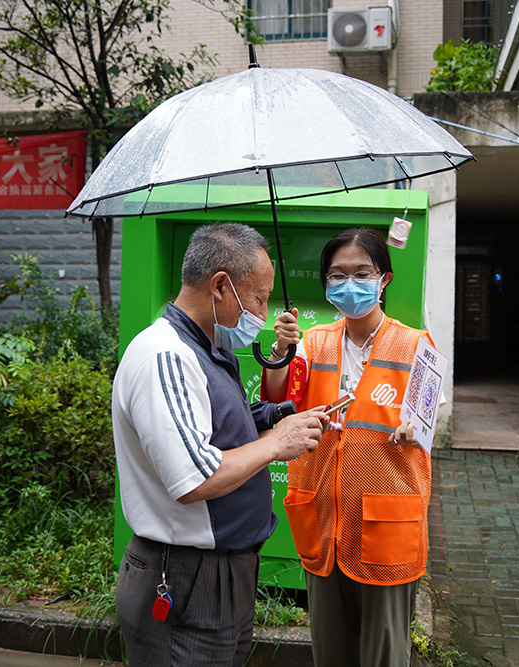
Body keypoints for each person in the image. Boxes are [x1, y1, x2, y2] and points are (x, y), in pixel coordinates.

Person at [112, 223, 328, 667]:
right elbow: (195, 478)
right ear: (220, 286)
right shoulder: (166, 356)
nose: (263, 313)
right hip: (185, 575)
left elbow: (222, 425)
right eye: (259, 298)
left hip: (223, 570)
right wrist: (277, 444)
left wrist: (281, 417)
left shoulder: (208, 347)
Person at [262, 227, 434, 667]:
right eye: (337, 275)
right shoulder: (313, 342)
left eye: (361, 273)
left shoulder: (415, 344)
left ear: (384, 279)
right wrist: (282, 349)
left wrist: (413, 429)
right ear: (325, 283)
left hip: (387, 526)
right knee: (331, 652)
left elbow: (427, 420)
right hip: (323, 520)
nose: (349, 283)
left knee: (384, 654)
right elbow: (278, 398)